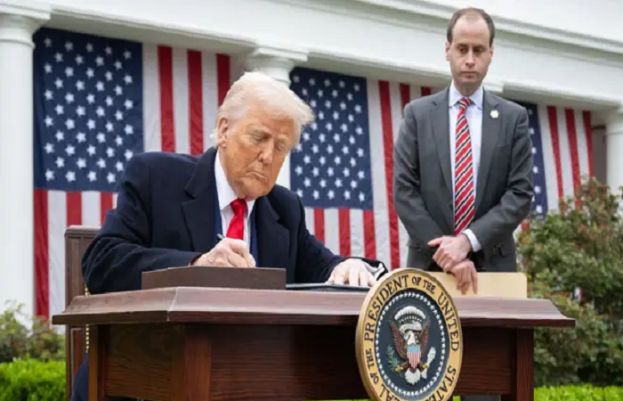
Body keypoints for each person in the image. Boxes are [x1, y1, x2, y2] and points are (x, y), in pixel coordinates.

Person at [72, 71, 385, 401]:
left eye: (281, 147)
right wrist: (197, 265)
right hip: (142, 378)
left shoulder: (284, 208)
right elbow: (101, 261)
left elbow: (323, 266)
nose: (268, 156)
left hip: (247, 383)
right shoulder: (155, 177)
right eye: (259, 138)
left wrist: (347, 267)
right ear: (223, 130)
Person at [394, 7, 534, 295]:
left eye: (478, 50)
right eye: (462, 49)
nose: (470, 59)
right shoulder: (417, 115)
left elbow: (519, 194)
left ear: (491, 53)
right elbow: (405, 192)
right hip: (429, 268)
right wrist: (447, 253)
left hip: (494, 271)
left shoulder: (514, 119)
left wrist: (467, 241)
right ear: (447, 50)